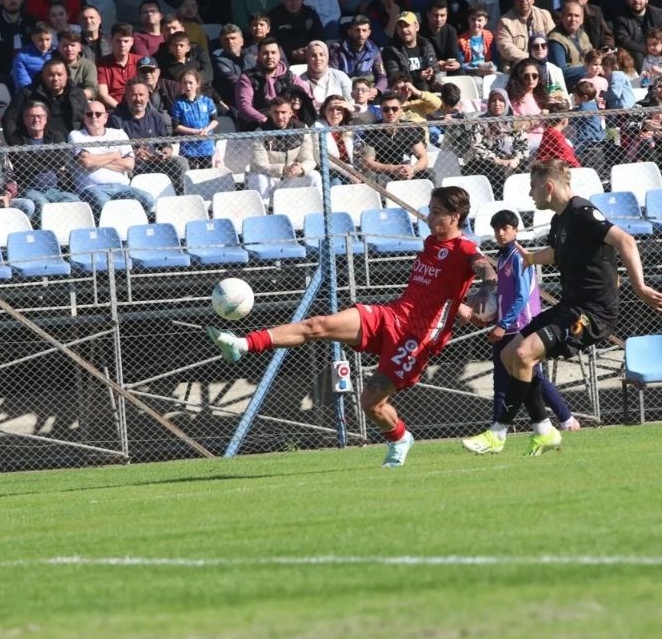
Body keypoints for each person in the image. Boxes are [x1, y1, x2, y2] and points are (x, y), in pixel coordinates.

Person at [207, 185, 498, 468]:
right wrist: (458, 305)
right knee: (317, 325)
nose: (428, 217)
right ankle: (242, 344)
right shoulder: (432, 243)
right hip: (391, 315)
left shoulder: (464, 248)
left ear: (455, 216)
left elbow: (483, 265)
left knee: (370, 403)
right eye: (429, 211)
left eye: (435, 212)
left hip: (415, 338)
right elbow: (441, 291)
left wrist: (487, 287)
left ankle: (400, 438)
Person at [489, 159, 662, 455]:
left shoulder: (583, 212)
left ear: (548, 187)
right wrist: (532, 258)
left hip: (592, 314)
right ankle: (544, 431)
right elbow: (559, 253)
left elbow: (625, 240)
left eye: (533, 187)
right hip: (570, 306)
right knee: (511, 354)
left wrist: (639, 285)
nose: (530, 194)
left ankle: (502, 430)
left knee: (524, 354)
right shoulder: (560, 220)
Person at [462, 209, 580, 454]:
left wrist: (502, 324)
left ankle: (566, 420)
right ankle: (502, 430)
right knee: (504, 380)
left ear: (516, 230)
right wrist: (492, 315)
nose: (501, 233)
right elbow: (505, 295)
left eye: (505, 228)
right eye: (497, 229)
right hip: (507, 325)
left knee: (533, 378)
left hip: (521, 325)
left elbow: (521, 296)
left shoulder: (517, 256)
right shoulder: (502, 257)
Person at [68, 100, 156, 213]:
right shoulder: (76, 135)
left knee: (147, 199)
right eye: (89, 114)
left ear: (105, 117)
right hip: (92, 188)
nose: (94, 117)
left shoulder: (118, 134)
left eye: (98, 114)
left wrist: (96, 159)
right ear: (84, 117)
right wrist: (115, 155)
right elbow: (87, 163)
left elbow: (129, 164)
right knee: (104, 206)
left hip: (122, 187)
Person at [107, 79, 190, 191]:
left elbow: (166, 143)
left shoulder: (156, 116)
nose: (138, 99)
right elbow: (111, 151)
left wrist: (166, 151)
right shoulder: (115, 119)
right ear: (126, 97)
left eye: (141, 95)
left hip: (156, 162)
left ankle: (182, 197)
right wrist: (133, 154)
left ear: (147, 97)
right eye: (133, 95)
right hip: (132, 167)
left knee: (181, 162)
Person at [12, 100, 82, 212]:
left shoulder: (56, 135)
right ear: (25, 119)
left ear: (45, 119)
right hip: (29, 188)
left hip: (55, 189)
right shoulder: (16, 138)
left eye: (39, 116)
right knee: (42, 204)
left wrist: (34, 159)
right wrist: (50, 161)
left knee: (74, 200)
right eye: (31, 116)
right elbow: (24, 164)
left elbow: (61, 159)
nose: (36, 120)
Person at [250, 95, 321, 199]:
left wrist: (301, 169)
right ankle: (264, 212)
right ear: (270, 113)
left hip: (291, 176)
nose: (280, 116)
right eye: (276, 112)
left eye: (283, 112)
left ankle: (318, 210)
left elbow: (309, 160)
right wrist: (283, 169)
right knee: (259, 178)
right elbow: (259, 164)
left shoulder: (302, 129)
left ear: (291, 113)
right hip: (270, 177)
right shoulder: (260, 132)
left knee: (314, 175)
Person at [3, 58, 88, 144]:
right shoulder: (27, 93)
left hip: (73, 144)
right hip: (39, 147)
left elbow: (87, 119)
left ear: (66, 75)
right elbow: (9, 118)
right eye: (51, 75)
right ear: (43, 76)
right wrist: (15, 144)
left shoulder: (78, 94)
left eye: (59, 74)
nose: (55, 78)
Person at [236, 36, 310, 129]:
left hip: (287, 125)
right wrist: (265, 120)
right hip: (257, 127)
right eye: (265, 53)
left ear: (279, 55)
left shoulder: (290, 76)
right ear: (258, 55)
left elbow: (308, 96)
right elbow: (244, 106)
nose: (270, 56)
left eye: (273, 53)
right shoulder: (247, 77)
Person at [359, 91, 431, 183]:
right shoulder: (371, 131)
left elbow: (423, 157)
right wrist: (392, 169)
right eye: (386, 109)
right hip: (383, 173)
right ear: (381, 111)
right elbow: (368, 163)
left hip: (407, 169)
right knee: (373, 177)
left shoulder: (409, 128)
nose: (390, 112)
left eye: (394, 109)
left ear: (401, 110)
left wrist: (413, 169)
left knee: (429, 174)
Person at [469, 88, 529, 194]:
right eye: (493, 100)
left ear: (506, 102)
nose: (497, 103)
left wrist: (516, 160)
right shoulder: (480, 122)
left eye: (501, 100)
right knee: (495, 173)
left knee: (527, 167)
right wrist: (497, 160)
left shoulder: (515, 122)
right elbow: (476, 147)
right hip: (488, 163)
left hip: (512, 161)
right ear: (489, 103)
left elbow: (522, 144)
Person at [171, 69, 218, 169]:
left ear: (197, 84)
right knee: (190, 176)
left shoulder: (207, 101)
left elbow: (215, 120)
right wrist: (195, 132)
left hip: (206, 146)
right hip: (188, 148)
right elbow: (176, 126)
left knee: (206, 176)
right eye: (185, 83)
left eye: (190, 83)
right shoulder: (178, 103)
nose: (187, 86)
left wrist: (206, 130)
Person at [496, 0, 555, 71]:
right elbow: (505, 48)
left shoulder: (544, 15)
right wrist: (532, 58)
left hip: (545, 62)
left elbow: (553, 41)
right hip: (518, 66)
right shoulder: (505, 21)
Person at [382, 11, 439, 92]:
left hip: (429, 90)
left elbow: (435, 69)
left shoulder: (426, 45)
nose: (404, 30)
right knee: (421, 86)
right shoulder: (391, 50)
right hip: (405, 91)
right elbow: (394, 77)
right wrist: (418, 76)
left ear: (417, 27)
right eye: (400, 27)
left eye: (407, 26)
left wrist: (431, 75)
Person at [614, 0, 662, 73]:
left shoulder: (659, 14)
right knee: (638, 55)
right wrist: (646, 49)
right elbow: (624, 40)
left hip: (658, 51)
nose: (636, 0)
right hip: (635, 54)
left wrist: (657, 48)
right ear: (627, 0)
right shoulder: (621, 18)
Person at [329, 15, 389, 91]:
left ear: (369, 33)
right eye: (357, 30)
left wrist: (377, 90)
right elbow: (332, 75)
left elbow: (382, 77)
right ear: (350, 32)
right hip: (344, 91)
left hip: (367, 92)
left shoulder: (374, 50)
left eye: (364, 30)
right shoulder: (337, 49)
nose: (361, 34)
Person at [315, 94, 360, 186]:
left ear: (344, 112)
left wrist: (352, 108)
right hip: (328, 170)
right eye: (331, 109)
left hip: (350, 168)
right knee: (336, 181)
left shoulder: (347, 126)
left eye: (339, 109)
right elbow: (322, 159)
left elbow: (368, 117)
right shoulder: (318, 128)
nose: (335, 113)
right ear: (324, 111)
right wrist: (348, 172)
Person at [269, 0, 324, 64]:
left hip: (309, 58)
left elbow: (320, 38)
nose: (293, 3)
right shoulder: (274, 15)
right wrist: (292, 53)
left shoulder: (311, 14)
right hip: (282, 60)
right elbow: (270, 41)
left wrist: (309, 50)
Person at [97, 22, 143, 109]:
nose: (122, 45)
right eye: (118, 41)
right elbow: (103, 95)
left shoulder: (140, 61)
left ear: (132, 42)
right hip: (114, 109)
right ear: (111, 41)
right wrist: (121, 109)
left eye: (126, 41)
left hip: (139, 106)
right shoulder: (101, 64)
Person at [547, 1, 592, 86]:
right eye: (569, 15)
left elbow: (591, 55)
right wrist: (588, 69)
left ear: (581, 20)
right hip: (571, 86)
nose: (573, 19)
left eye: (576, 16)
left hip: (588, 78)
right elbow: (560, 72)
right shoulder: (555, 40)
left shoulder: (582, 34)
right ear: (562, 17)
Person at [300, 40, 352, 108]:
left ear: (327, 56)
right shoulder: (300, 81)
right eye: (313, 55)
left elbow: (351, 102)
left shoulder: (340, 76)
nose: (318, 58)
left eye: (321, 54)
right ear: (308, 58)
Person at [421, 0, 463, 74]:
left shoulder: (451, 31)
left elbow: (455, 54)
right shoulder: (420, 32)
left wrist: (457, 63)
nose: (439, 19)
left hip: (447, 67)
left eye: (442, 15)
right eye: (435, 15)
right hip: (428, 68)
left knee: (460, 71)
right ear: (428, 15)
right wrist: (435, 64)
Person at [56, 29, 99, 100]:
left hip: (82, 101)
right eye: (65, 45)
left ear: (79, 47)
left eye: (73, 45)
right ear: (59, 47)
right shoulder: (51, 65)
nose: (69, 49)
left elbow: (92, 89)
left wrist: (74, 97)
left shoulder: (88, 65)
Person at [12, 22, 55, 91]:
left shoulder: (57, 53)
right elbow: (23, 84)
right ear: (33, 38)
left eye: (47, 39)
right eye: (40, 40)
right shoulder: (22, 57)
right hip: (32, 97)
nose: (44, 44)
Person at [457, 5, 495, 75]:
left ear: (485, 21)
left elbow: (495, 57)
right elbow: (460, 63)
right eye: (473, 19)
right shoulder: (461, 40)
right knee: (478, 82)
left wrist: (494, 68)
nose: (476, 23)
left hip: (487, 68)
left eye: (479, 20)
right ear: (468, 20)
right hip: (471, 71)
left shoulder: (489, 36)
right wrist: (475, 70)